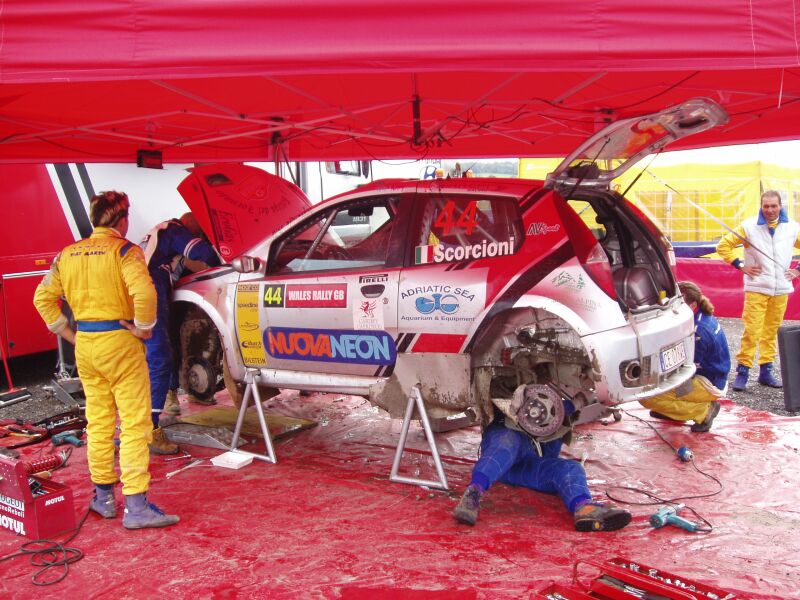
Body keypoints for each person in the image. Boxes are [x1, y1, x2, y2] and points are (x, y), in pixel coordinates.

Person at [33, 191, 179, 529]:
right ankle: (137, 507)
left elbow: (42, 297)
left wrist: (69, 334)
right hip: (121, 344)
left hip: (87, 345)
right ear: (122, 219)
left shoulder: (67, 254)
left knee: (97, 422)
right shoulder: (125, 251)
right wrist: (143, 329)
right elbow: (144, 293)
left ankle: (102, 497)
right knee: (134, 424)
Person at [453, 403, 631, 532]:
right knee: (506, 444)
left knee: (572, 469)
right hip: (506, 437)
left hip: (529, 462)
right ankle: (473, 493)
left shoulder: (565, 406)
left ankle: (583, 507)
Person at [140, 212, 221, 453]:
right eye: (199, 232)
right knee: (160, 359)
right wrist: (225, 259)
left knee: (157, 353)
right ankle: (150, 428)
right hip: (150, 293)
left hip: (144, 294)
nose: (198, 236)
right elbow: (201, 253)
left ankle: (168, 398)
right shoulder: (174, 230)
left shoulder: (156, 234)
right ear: (193, 227)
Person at [716, 190, 800, 391]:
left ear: (781, 206)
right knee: (752, 331)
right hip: (757, 286)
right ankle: (743, 371)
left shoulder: (793, 228)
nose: (770, 210)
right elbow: (723, 246)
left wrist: (797, 270)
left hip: (781, 288)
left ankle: (766, 371)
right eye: (766, 206)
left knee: (770, 331)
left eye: (774, 206)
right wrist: (740, 264)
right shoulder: (748, 227)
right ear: (761, 206)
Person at [641, 281, 730, 433]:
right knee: (658, 385)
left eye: (677, 305)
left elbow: (683, 368)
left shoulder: (698, 332)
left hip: (707, 383)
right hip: (711, 375)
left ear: (693, 305)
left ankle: (704, 412)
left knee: (647, 396)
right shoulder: (699, 317)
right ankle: (671, 411)